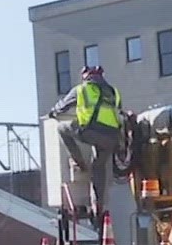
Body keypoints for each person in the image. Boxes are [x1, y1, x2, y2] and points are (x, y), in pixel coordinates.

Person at [48, 65, 125, 216]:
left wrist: (53, 112)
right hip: (111, 138)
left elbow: (62, 107)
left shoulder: (81, 90)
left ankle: (79, 162)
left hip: (90, 131)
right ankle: (98, 206)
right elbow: (119, 112)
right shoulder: (113, 92)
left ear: (86, 77)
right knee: (98, 168)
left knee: (62, 129)